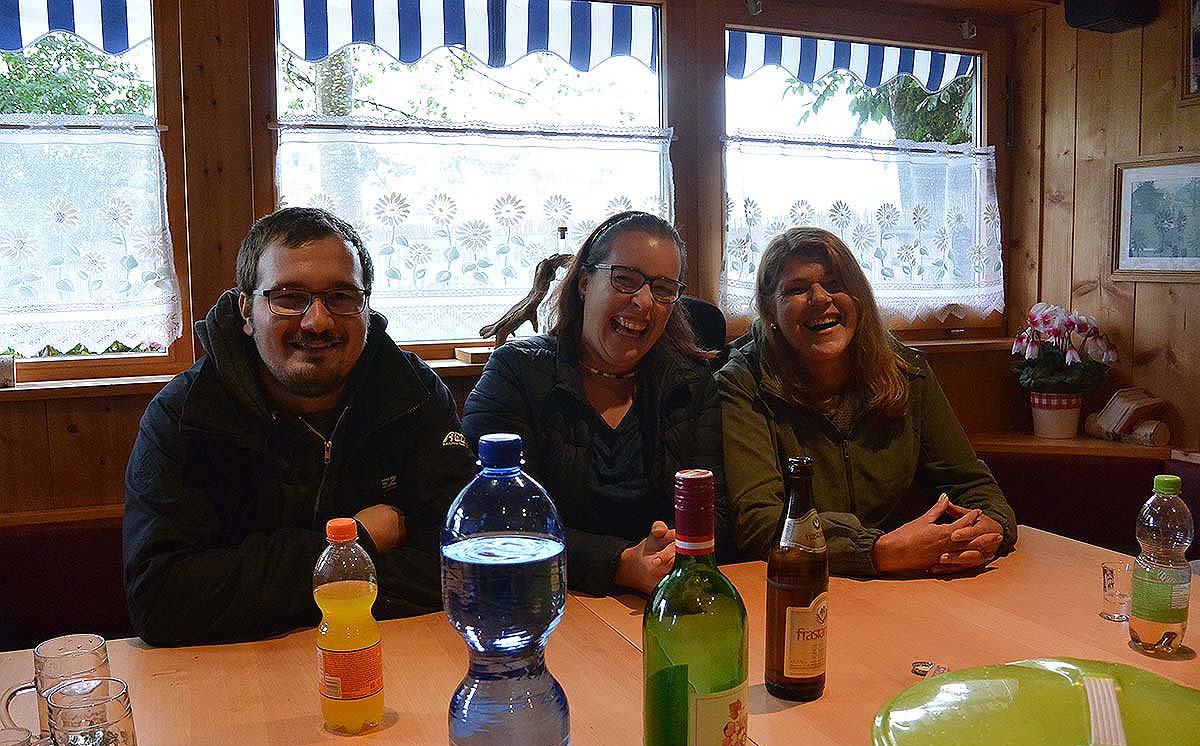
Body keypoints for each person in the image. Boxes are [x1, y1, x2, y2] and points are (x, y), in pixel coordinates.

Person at [123, 207, 476, 646]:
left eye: (342, 297)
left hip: (392, 651)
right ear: (247, 311)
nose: (318, 321)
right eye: (289, 297)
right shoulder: (187, 415)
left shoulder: (413, 394)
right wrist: (356, 541)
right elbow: (161, 599)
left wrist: (258, 590)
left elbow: (463, 565)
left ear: (366, 308)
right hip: (235, 666)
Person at [718, 227, 1016, 576]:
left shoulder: (908, 371)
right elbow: (761, 524)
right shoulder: (742, 382)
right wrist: (875, 551)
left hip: (906, 581)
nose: (820, 298)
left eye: (835, 283)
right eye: (797, 289)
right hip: (797, 580)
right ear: (770, 310)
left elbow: (972, 485)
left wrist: (988, 529)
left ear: (858, 297)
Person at [462, 211, 729, 596]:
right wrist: (620, 564)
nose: (643, 302)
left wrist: (670, 551)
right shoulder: (516, 373)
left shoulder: (691, 384)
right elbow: (493, 517)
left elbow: (717, 512)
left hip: (666, 596)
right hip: (546, 598)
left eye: (663, 289)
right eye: (625, 279)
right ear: (585, 282)